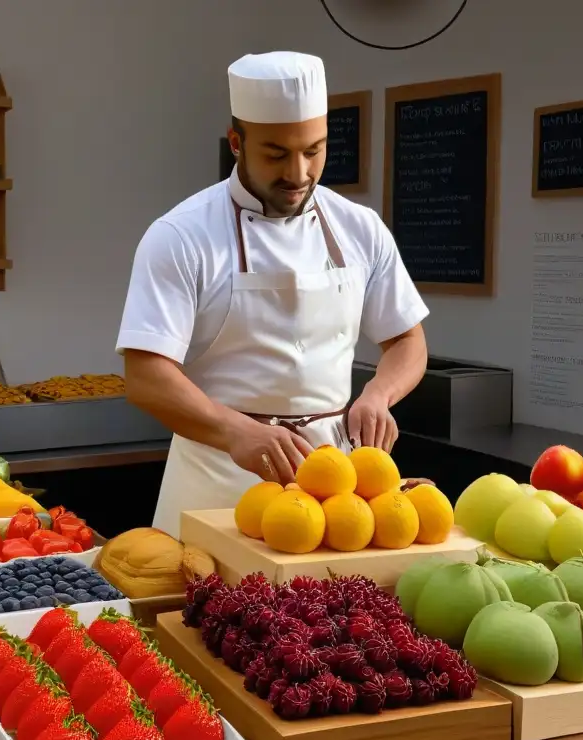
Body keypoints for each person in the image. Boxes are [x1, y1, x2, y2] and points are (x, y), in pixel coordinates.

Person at [117, 51, 429, 537]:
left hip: (332, 491)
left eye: (314, 150)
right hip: (218, 481)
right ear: (237, 142)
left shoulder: (360, 228)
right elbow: (145, 374)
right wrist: (233, 430)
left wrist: (379, 394)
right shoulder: (180, 235)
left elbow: (408, 340)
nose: (299, 172)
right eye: (277, 154)